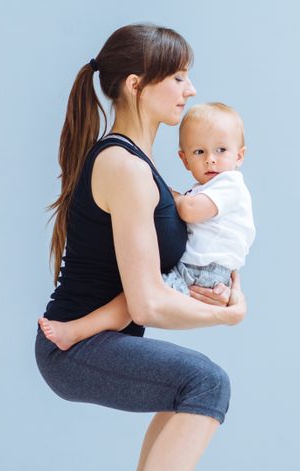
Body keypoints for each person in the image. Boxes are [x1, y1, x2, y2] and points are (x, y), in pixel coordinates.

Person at [35, 24, 247, 471]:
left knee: (184, 388)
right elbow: (150, 301)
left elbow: (149, 288)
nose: (189, 88)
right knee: (206, 382)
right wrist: (228, 318)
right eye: (177, 76)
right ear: (136, 85)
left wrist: (226, 287)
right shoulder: (123, 166)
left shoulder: (140, 164)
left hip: (93, 338)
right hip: (73, 348)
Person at [38, 102, 254, 351]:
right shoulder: (205, 189)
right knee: (135, 301)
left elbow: (190, 211)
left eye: (221, 150)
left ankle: (75, 331)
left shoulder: (230, 184)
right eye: (199, 152)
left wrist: (173, 196)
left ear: (240, 156)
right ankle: (75, 331)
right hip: (199, 269)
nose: (210, 160)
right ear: (184, 159)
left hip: (203, 272)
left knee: (136, 301)